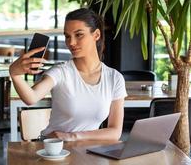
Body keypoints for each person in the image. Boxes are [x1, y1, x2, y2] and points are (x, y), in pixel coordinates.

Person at [9, 8, 127, 141]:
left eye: (79, 35)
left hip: (87, 150)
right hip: (54, 149)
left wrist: (72, 136)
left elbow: (115, 132)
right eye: (67, 36)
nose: (71, 43)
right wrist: (15, 74)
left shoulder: (114, 78)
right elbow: (31, 98)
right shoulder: (60, 72)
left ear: (96, 35)